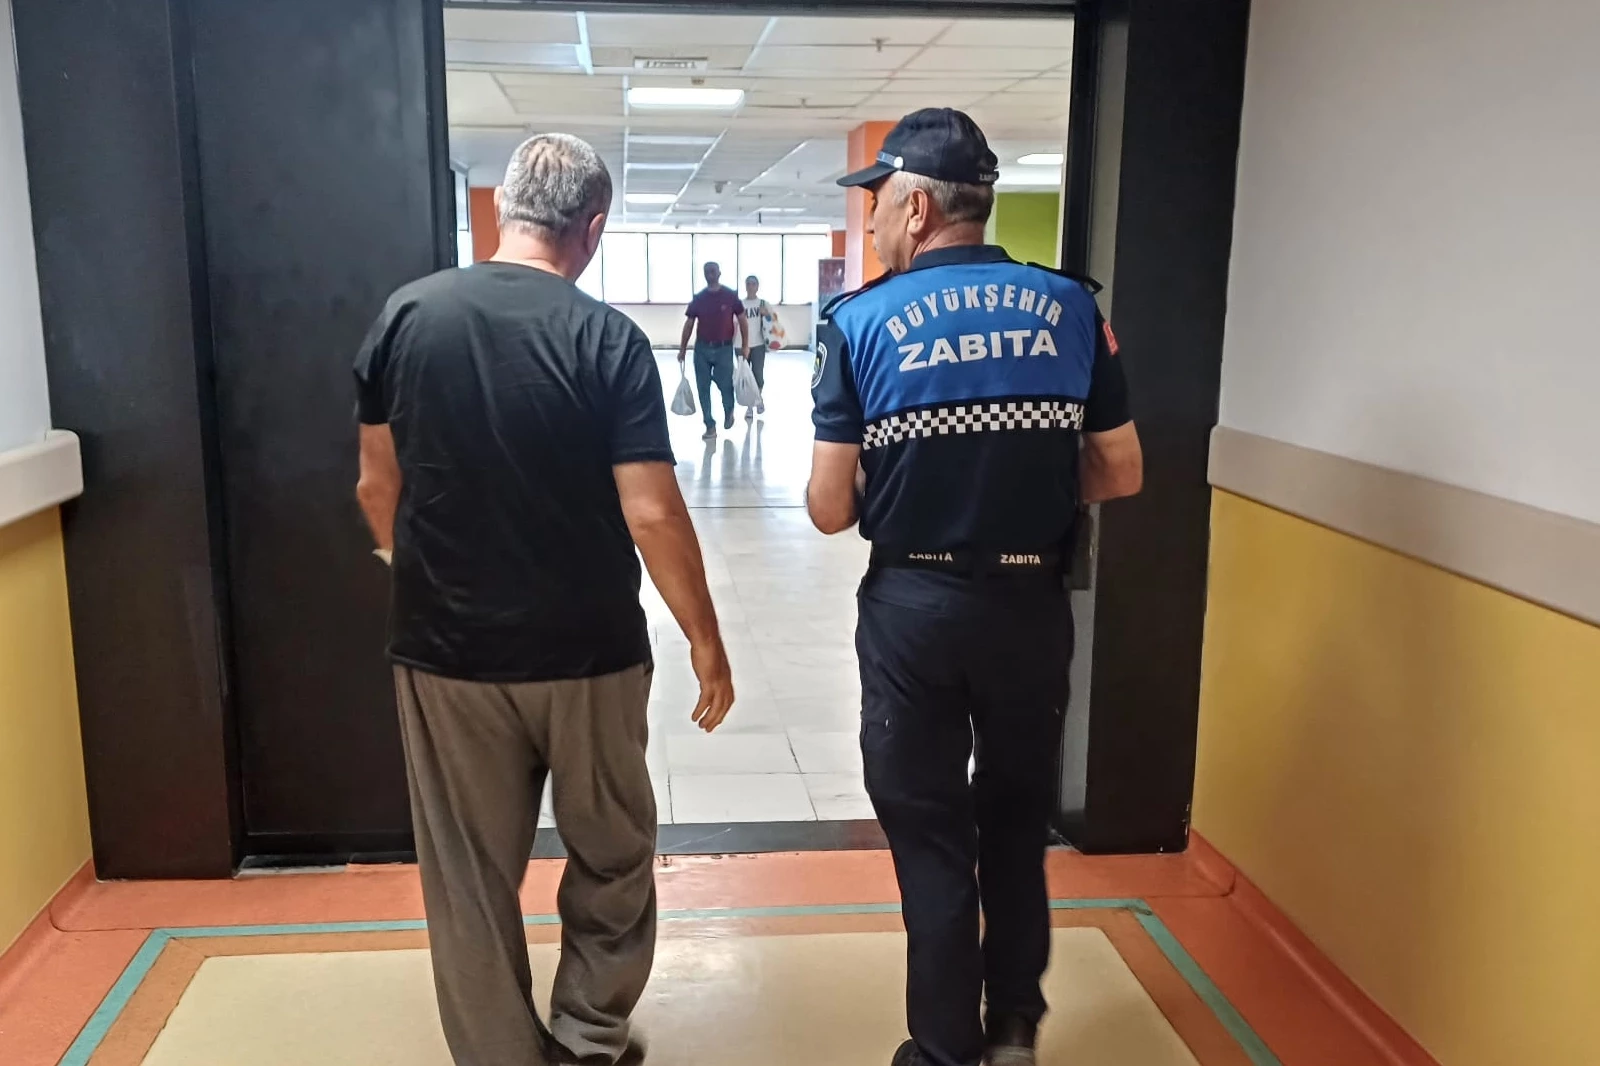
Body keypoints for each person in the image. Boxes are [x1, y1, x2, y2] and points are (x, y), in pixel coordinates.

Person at [353, 133, 735, 1066]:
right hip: (588, 652)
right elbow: (651, 511)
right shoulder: (607, 339)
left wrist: (423, 573)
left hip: (446, 654)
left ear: (502, 208)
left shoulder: (407, 317)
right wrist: (704, 637)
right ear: (592, 228)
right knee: (613, 853)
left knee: (468, 874)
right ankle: (587, 1037)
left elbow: (375, 485)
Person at [807, 108, 1144, 1066]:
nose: (873, 218)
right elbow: (1120, 470)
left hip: (915, 612)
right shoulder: (1072, 308)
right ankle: (1015, 1026)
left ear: (917, 209)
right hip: (1030, 608)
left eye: (878, 200)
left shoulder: (858, 322)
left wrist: (912, 481)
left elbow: (829, 508)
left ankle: (945, 1047)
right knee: (1016, 815)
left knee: (929, 830)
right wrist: (1023, 484)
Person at [679, 261, 749, 440]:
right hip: (702, 349)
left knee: (725, 385)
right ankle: (709, 425)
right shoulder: (699, 298)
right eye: (706, 271)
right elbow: (689, 324)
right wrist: (683, 348)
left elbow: (742, 320)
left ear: (719, 273)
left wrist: (745, 345)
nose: (709, 274)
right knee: (703, 387)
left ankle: (729, 410)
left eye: (712, 271)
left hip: (724, 349)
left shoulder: (730, 296)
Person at [741, 274, 782, 420]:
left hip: (758, 344)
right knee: (745, 377)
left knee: (758, 374)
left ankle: (758, 399)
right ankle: (749, 406)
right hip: (741, 345)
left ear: (757, 286)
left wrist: (766, 315)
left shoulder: (763, 303)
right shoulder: (740, 304)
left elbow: (775, 322)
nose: (751, 286)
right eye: (748, 284)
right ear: (745, 286)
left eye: (753, 284)